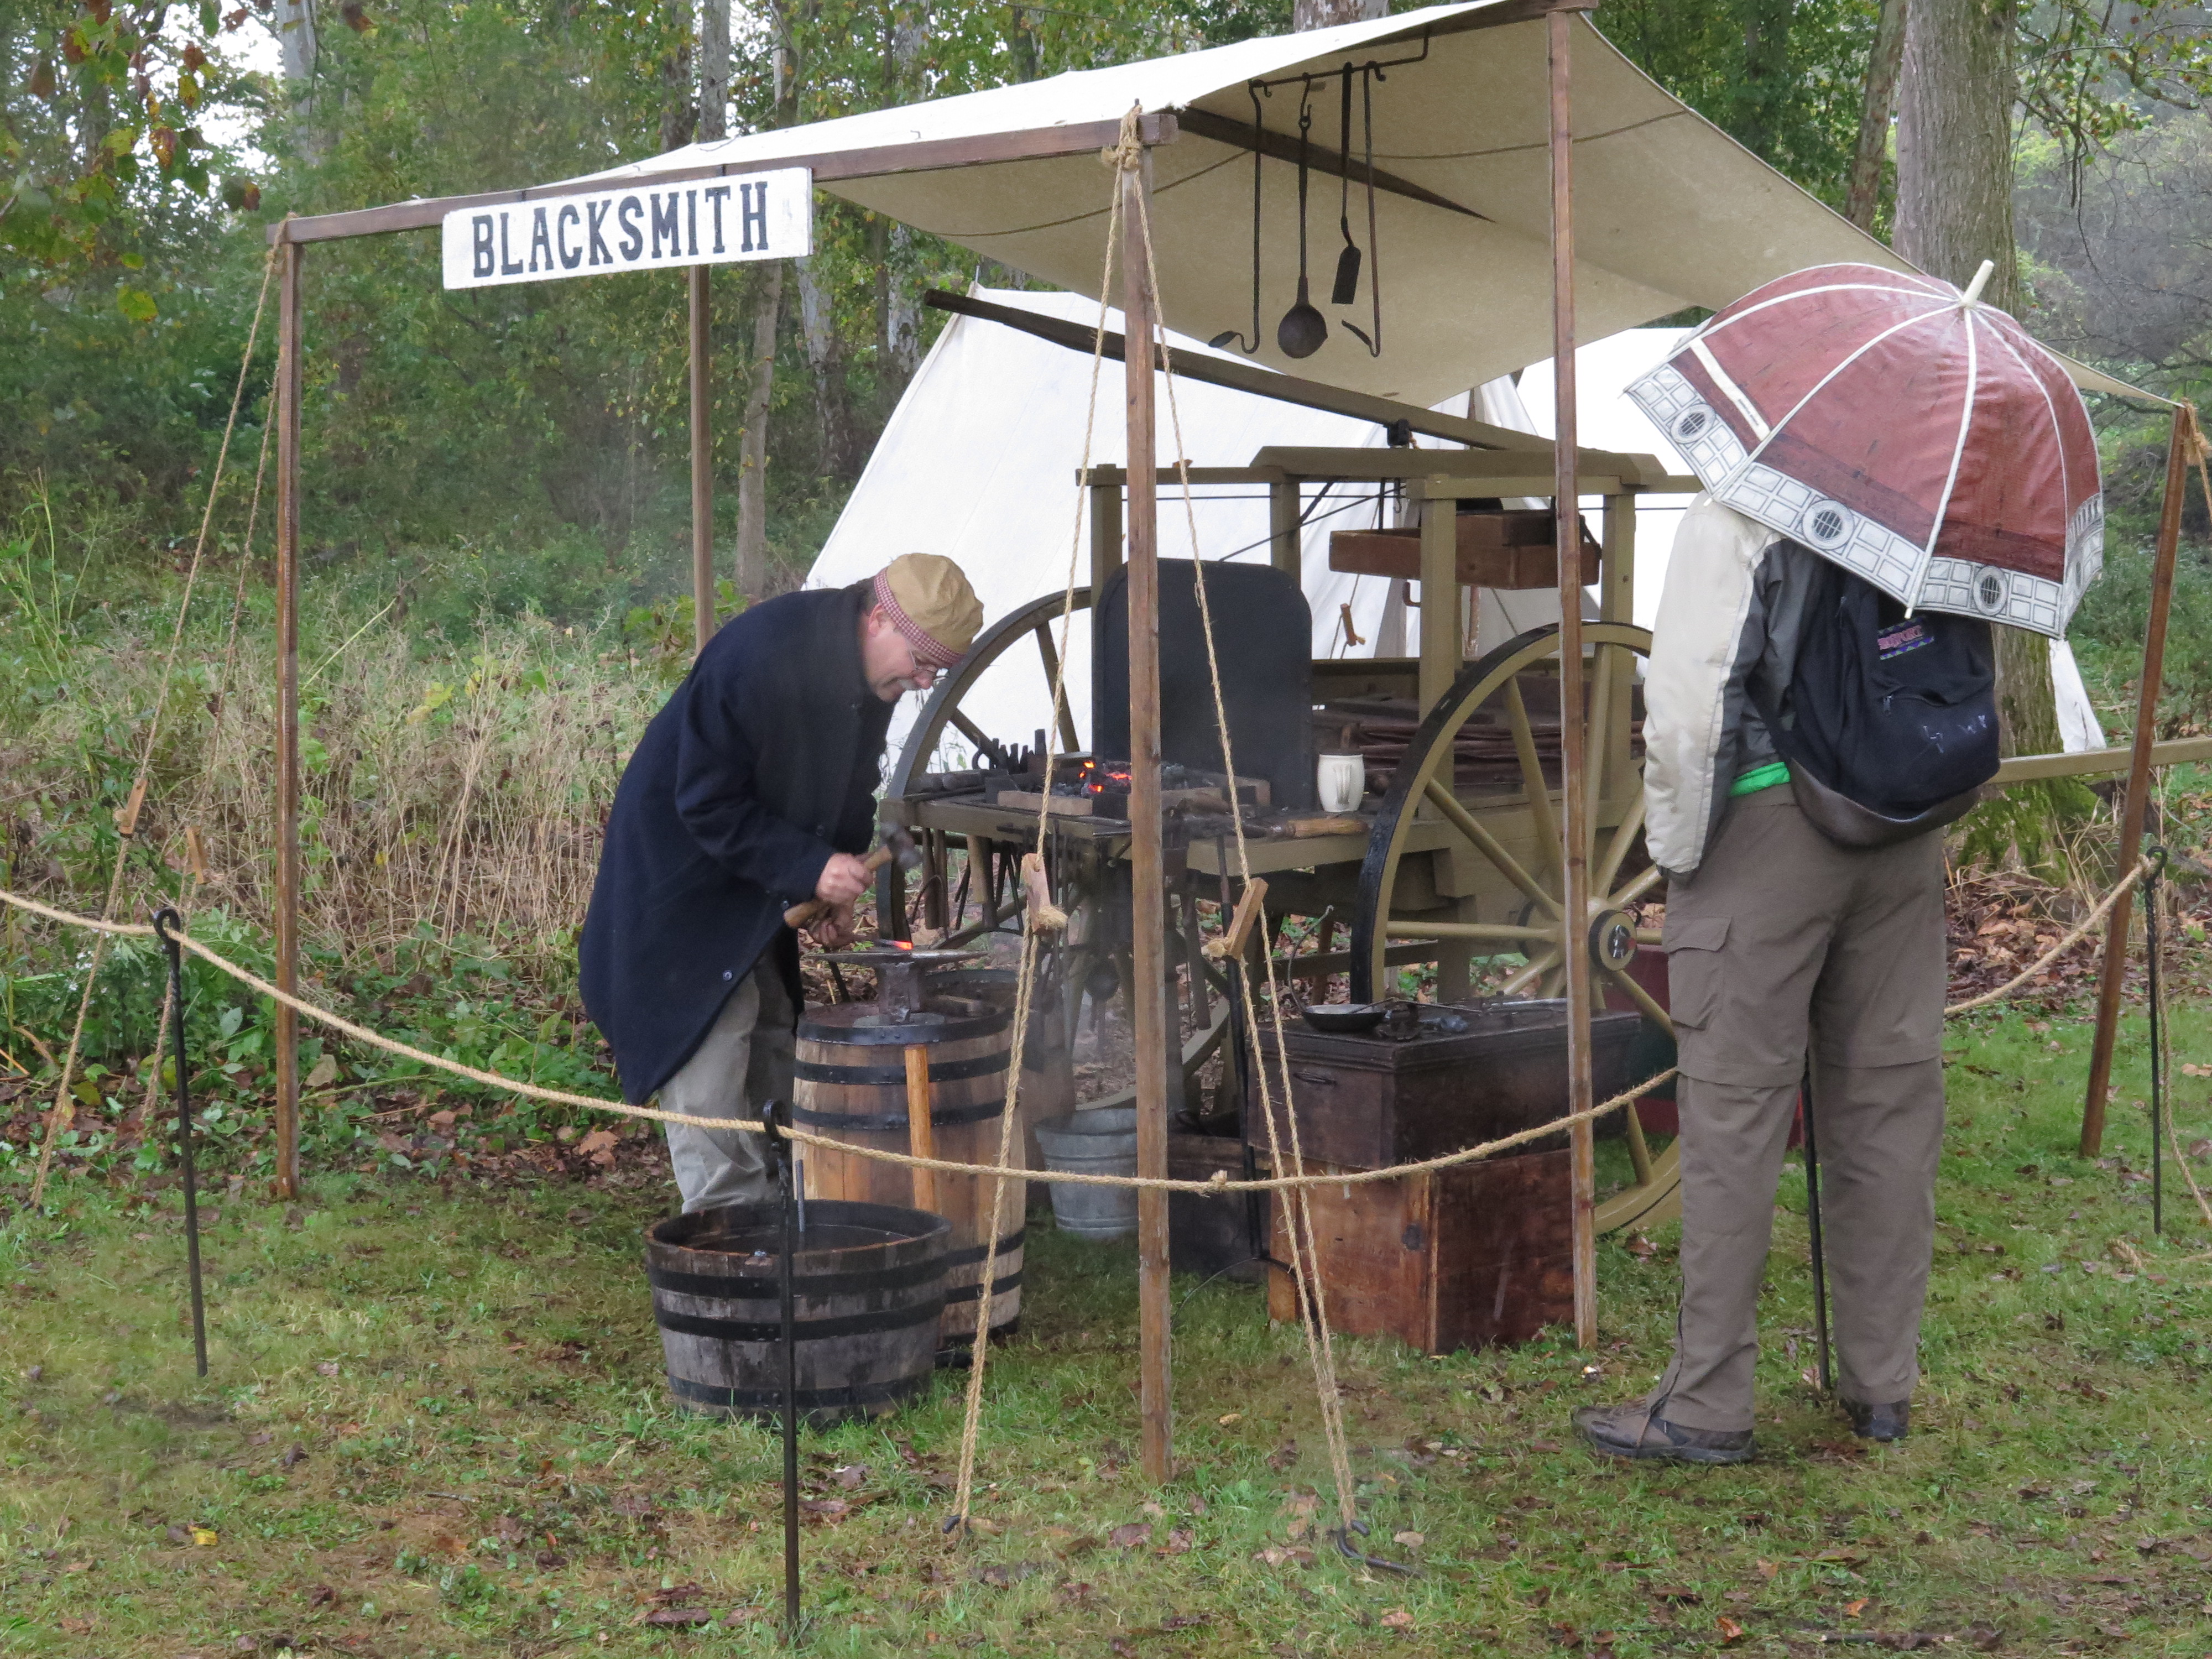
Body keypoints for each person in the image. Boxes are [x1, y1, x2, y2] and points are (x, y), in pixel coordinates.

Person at [1573, 496, 1956, 1463]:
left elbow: (1689, 710)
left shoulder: (1743, 510)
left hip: (1766, 824)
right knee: (1887, 1108)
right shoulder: (1933, 500)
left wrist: (1680, 857)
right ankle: (1881, 1388)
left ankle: (1706, 1405)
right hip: (1904, 829)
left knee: (1735, 1120)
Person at [580, 554, 983, 1212]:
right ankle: (727, 1233)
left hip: (754, 879)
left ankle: (786, 1215)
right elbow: (707, 801)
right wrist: (808, 866)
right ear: (879, 619)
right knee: (711, 1051)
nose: (923, 680)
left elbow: (851, 783)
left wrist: (828, 878)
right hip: (681, 885)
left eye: (936, 670)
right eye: (920, 661)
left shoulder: (868, 677)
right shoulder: (760, 655)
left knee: (772, 1034)